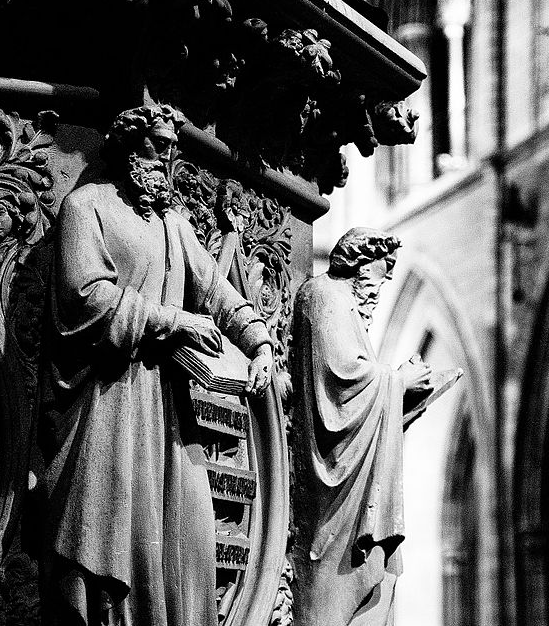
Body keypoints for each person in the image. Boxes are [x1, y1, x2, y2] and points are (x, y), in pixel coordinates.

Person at [39, 104, 273, 625]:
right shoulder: (87, 206)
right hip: (108, 401)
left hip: (166, 407)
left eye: (171, 149)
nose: (166, 159)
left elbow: (217, 289)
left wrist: (259, 343)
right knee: (108, 536)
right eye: (156, 146)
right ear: (127, 148)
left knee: (189, 536)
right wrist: (175, 321)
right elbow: (84, 297)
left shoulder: (171, 221)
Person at [290, 227, 432, 626]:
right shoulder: (325, 297)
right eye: (373, 281)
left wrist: (402, 395)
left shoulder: (343, 305)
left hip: (348, 481)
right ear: (354, 266)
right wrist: (398, 381)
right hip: (332, 495)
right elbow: (343, 379)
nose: (376, 293)